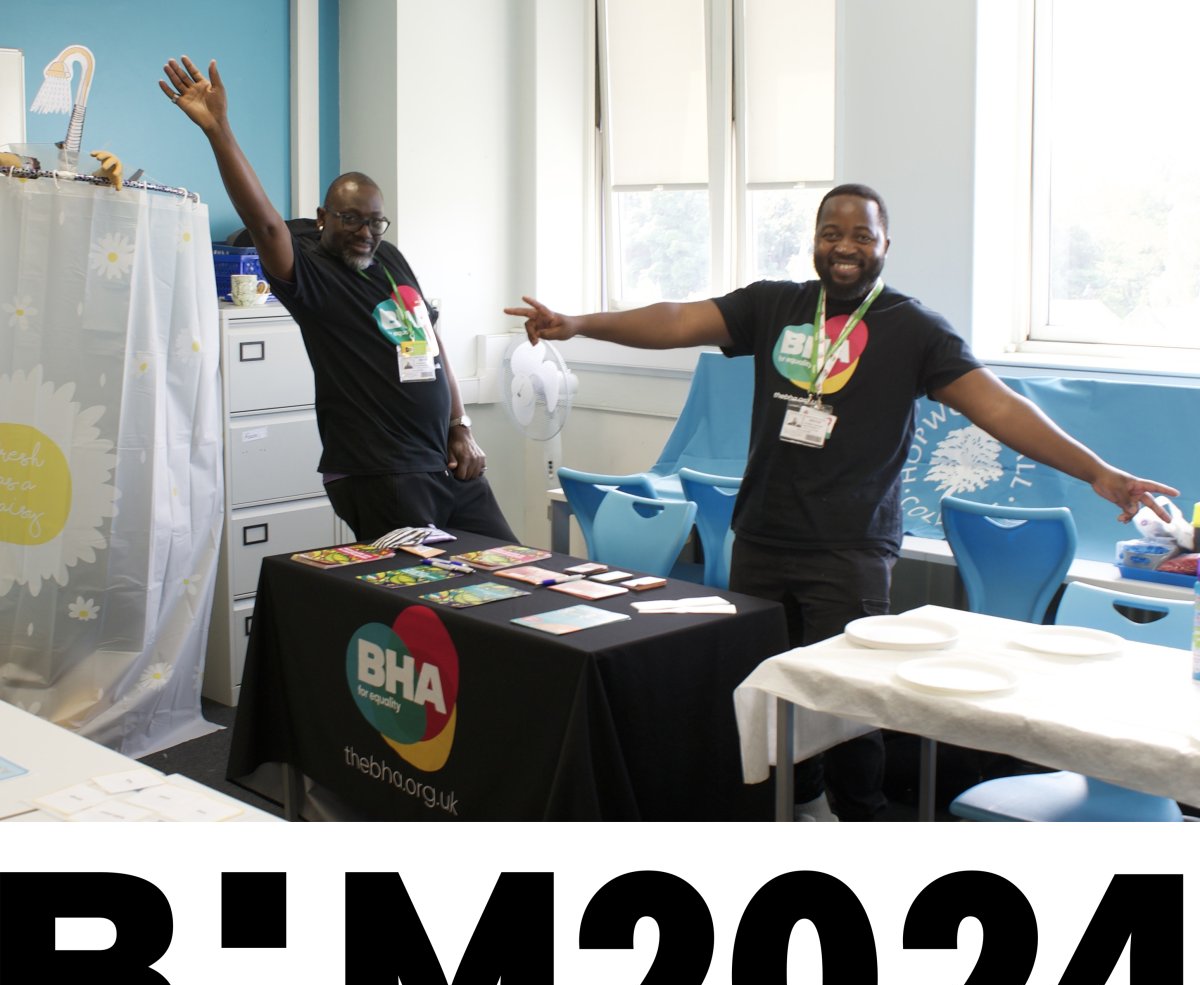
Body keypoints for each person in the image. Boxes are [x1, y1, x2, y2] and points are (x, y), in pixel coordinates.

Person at [506, 183, 1178, 821]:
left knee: (850, 703)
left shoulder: (914, 330)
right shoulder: (775, 305)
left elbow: (999, 407)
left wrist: (1099, 473)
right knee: (770, 693)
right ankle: (797, 808)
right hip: (763, 538)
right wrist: (578, 324)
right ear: (814, 242)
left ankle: (861, 820)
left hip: (850, 548)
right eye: (832, 231)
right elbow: (679, 319)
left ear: (887, 245)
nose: (845, 244)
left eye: (862, 233)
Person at [161, 56, 515, 543]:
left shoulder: (390, 258)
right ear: (322, 216)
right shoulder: (308, 272)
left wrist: (460, 424)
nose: (365, 233)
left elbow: (432, 345)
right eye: (351, 219)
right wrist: (219, 129)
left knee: (510, 572)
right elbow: (265, 224)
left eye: (374, 221)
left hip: (447, 462)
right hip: (381, 474)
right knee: (423, 606)